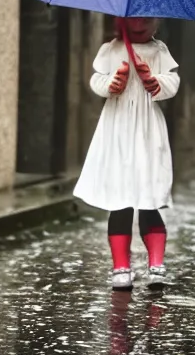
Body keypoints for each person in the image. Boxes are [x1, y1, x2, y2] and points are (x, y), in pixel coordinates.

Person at [73, 17, 180, 289]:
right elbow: (97, 80)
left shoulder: (159, 51)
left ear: (157, 22)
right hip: (118, 129)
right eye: (134, 17)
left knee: (149, 198)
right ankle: (121, 266)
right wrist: (113, 83)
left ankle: (156, 264)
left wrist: (153, 80)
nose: (141, 22)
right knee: (119, 200)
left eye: (148, 18)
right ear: (120, 20)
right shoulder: (111, 49)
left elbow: (172, 82)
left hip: (146, 131)